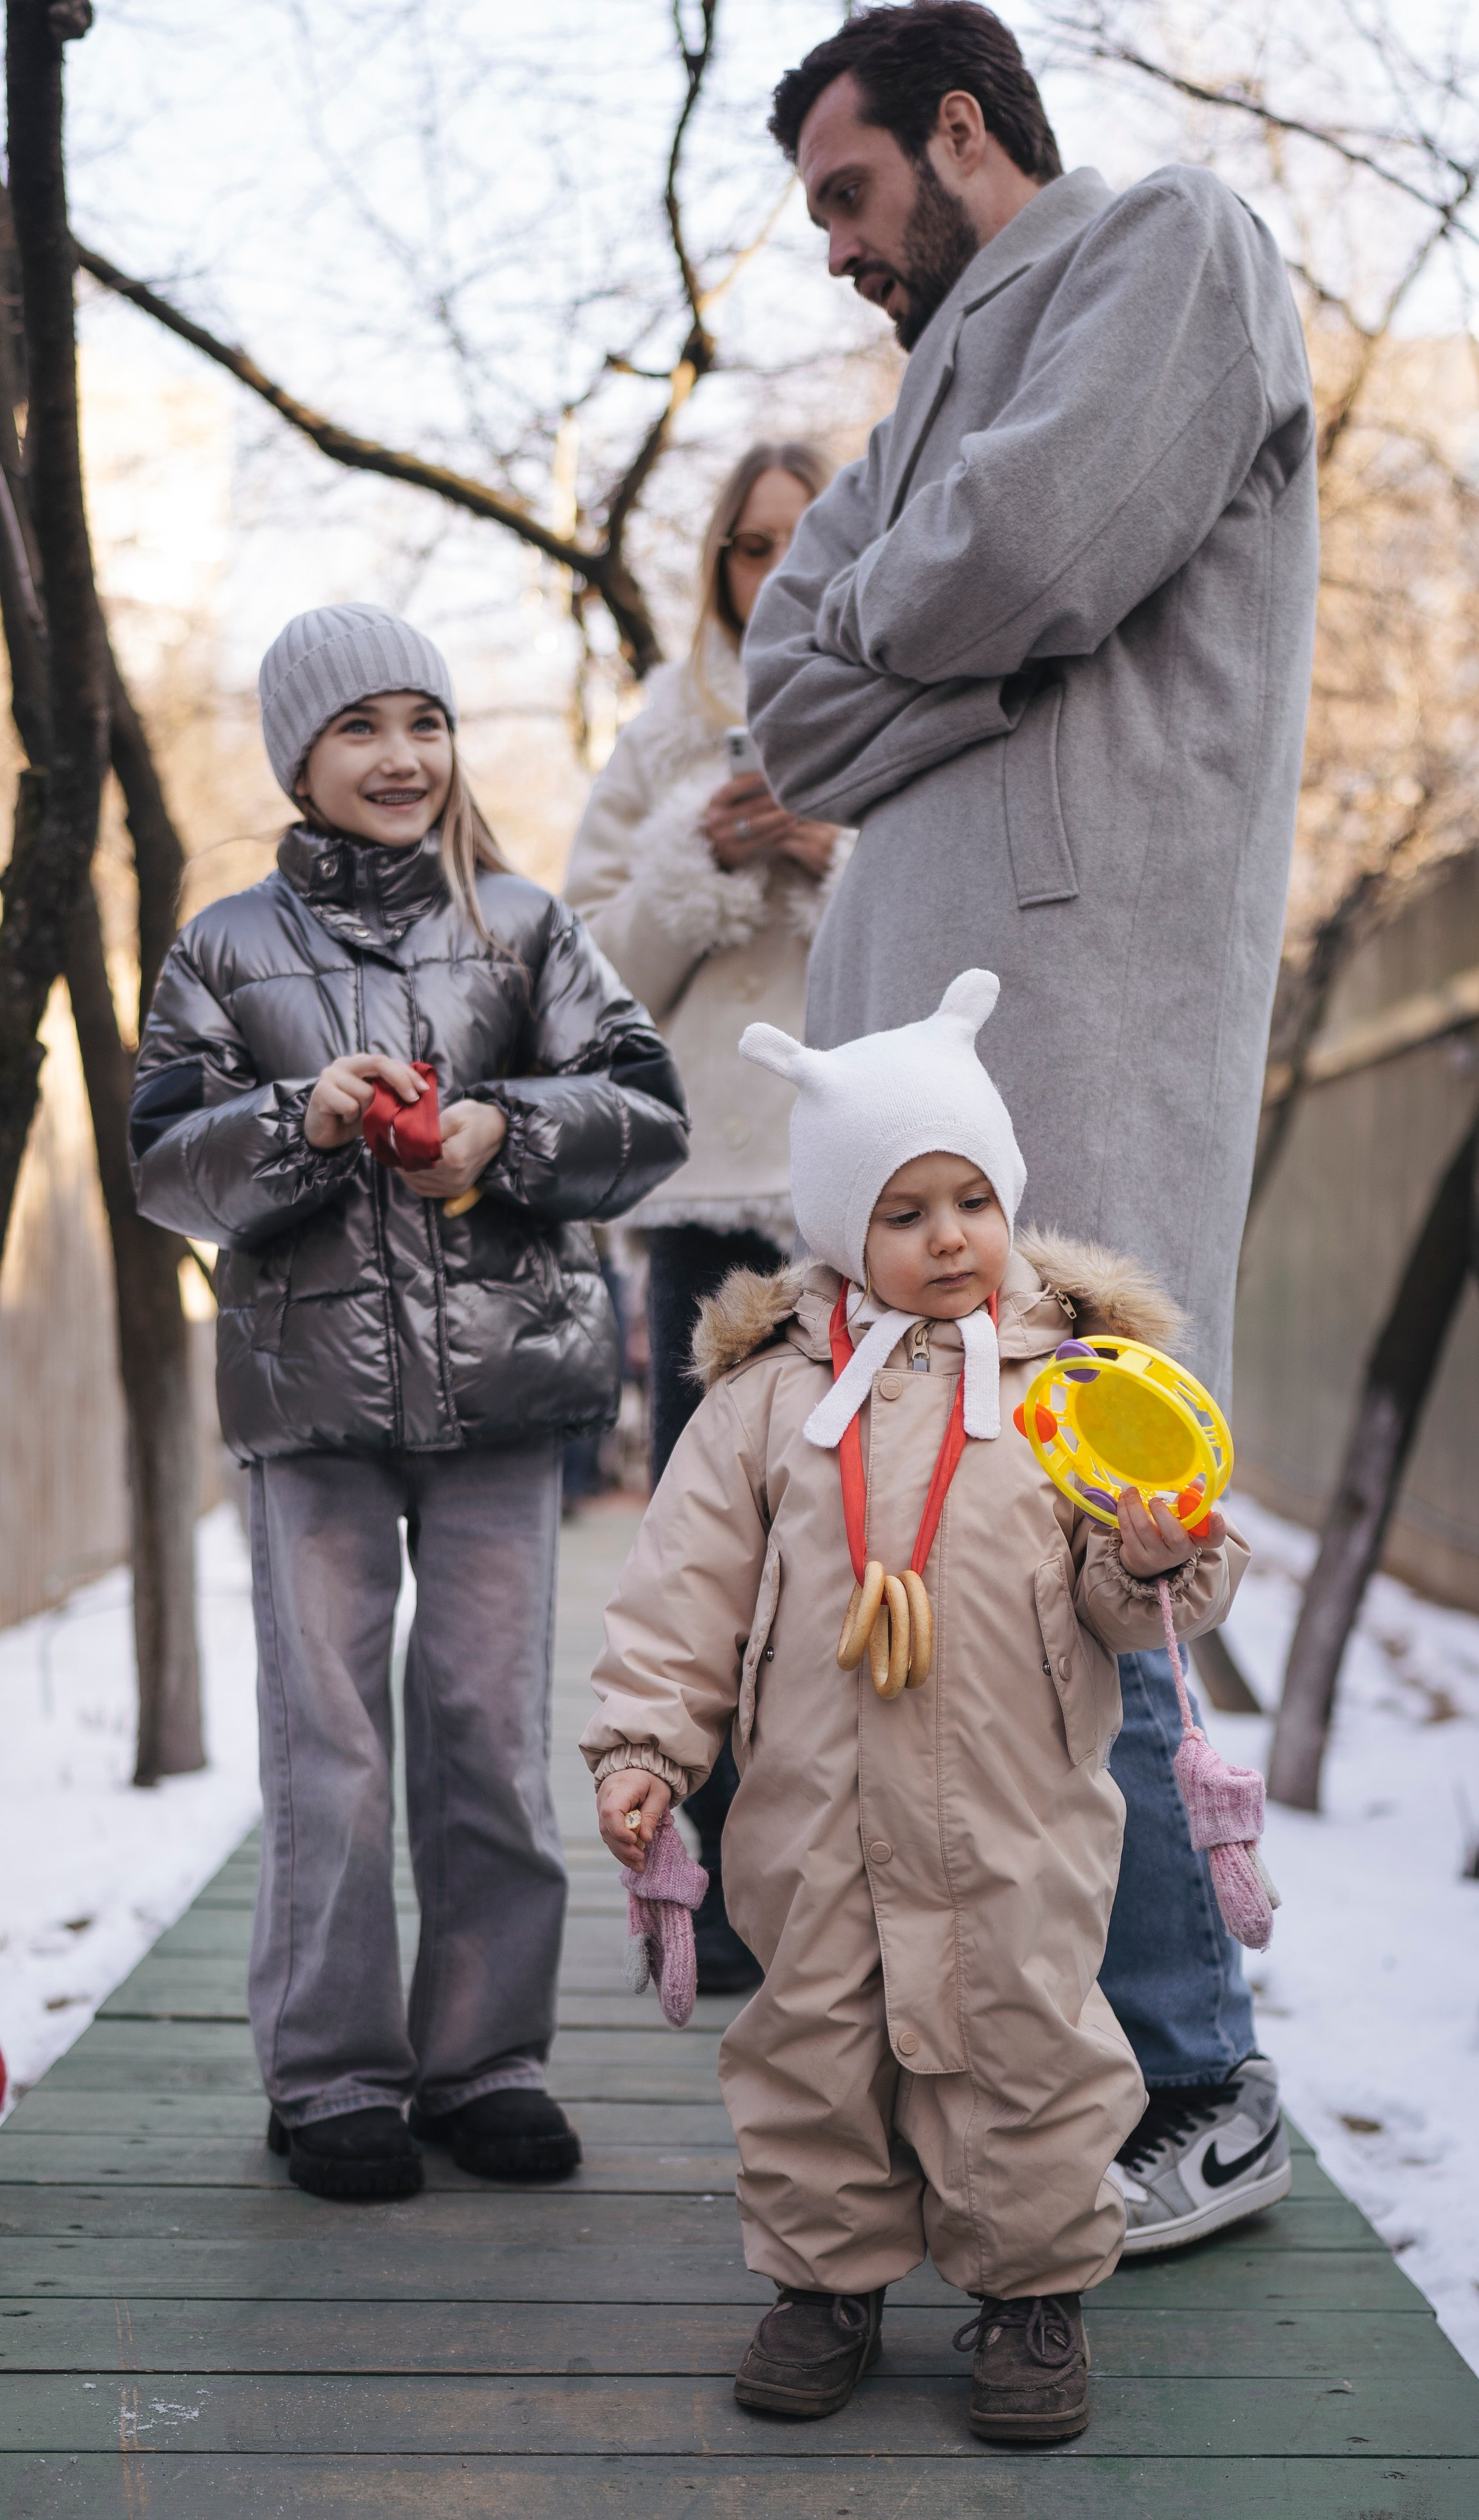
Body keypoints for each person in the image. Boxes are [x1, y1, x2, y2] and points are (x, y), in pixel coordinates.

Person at [744, 0, 1316, 2253]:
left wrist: (957, 622)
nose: (835, 252)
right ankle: (1022, 2071)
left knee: (1095, 1505)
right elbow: (791, 692)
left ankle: (1198, 2073)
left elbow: (1030, 559)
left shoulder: (1168, 247)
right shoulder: (916, 407)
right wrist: (965, 631)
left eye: (850, 194)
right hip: (912, 1043)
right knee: (942, 1557)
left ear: (961, 133)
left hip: (1082, 1011)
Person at [585, 972, 1249, 2441]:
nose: (946, 1235)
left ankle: (1029, 2298)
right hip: (810, 1817)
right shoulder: (768, 1403)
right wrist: (644, 1745)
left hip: (1017, 1813)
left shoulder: (1078, 1388)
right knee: (812, 2043)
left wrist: (1156, 1557)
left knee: (1027, 2043)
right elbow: (682, 1586)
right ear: (838, 1230)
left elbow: (1133, 1596)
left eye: (971, 1198)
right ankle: (826, 2284)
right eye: (902, 1211)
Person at [129, 604, 689, 2204]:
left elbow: (646, 1112)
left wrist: (502, 1133)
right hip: (308, 1405)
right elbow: (166, 1166)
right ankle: (331, 2078)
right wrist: (299, 1122)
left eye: (423, 722)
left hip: (506, 1397)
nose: (400, 756)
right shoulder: (223, 947)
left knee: (488, 1732)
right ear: (299, 756)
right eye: (361, 727)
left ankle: (487, 2056)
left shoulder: (523, 926)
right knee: (329, 1747)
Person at [565, 439, 848, 1989]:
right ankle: (719, 1888)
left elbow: (959, 928)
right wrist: (701, 853)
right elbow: (588, 965)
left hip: (861, 1202)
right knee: (705, 1548)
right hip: (702, 1193)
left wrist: (828, 853)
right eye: (748, 546)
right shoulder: (662, 730)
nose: (774, 567)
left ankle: (839, 1887)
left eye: (804, 538)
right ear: (717, 567)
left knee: (852, 1541)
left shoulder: (891, 692)